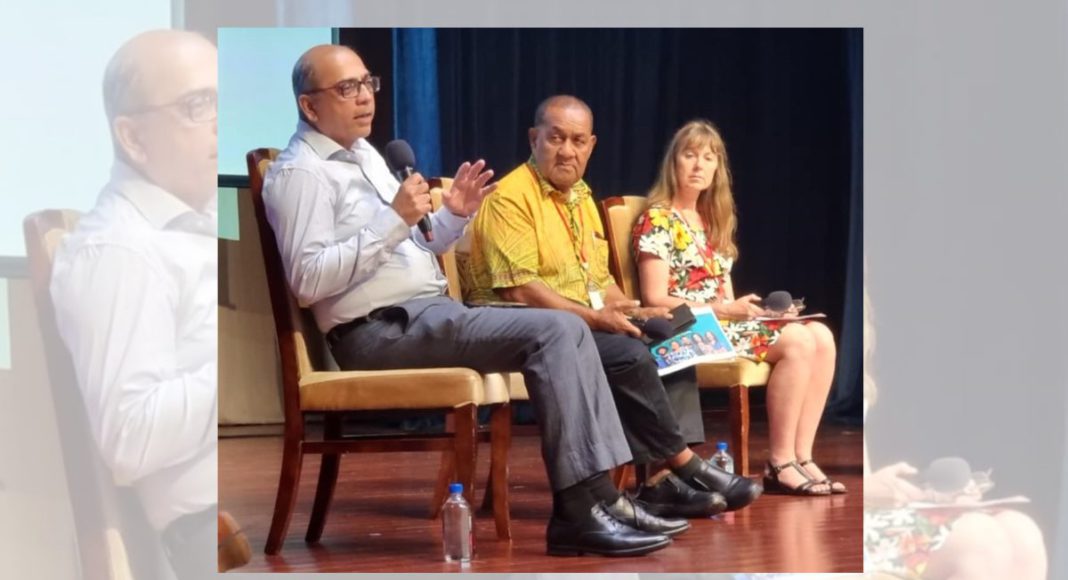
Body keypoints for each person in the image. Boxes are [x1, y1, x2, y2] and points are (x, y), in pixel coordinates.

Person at [262, 45, 684, 557]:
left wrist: (451, 218)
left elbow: (414, 246)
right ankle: (578, 512)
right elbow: (308, 281)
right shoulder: (301, 172)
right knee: (555, 328)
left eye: (367, 83)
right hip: (377, 331)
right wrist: (393, 219)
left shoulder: (364, 154)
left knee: (573, 328)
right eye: (347, 88)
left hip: (430, 314)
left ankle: (600, 499)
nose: (365, 98)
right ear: (309, 107)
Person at [466, 95, 762, 519]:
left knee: (668, 330)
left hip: (576, 320)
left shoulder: (581, 196)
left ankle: (662, 480)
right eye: (556, 138)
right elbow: (520, 291)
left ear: (591, 146)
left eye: (578, 141)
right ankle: (682, 468)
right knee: (627, 353)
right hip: (524, 326)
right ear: (534, 139)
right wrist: (599, 318)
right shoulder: (510, 197)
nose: (567, 150)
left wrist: (633, 307)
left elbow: (597, 281)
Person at [49, 30, 249, 577]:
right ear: (133, 138)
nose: (220, 122)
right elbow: (129, 437)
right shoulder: (120, 250)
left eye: (222, 101)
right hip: (223, 536)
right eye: (196, 106)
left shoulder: (200, 221)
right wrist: (248, 374)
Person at [632, 120, 842, 496]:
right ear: (673, 163)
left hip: (720, 321)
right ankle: (779, 463)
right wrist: (725, 310)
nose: (698, 165)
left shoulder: (712, 222)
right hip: (686, 327)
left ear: (717, 169)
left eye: (708, 158)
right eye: (690, 155)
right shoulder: (657, 219)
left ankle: (802, 456)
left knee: (821, 336)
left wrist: (758, 314)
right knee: (797, 342)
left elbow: (725, 296)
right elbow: (654, 299)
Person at [863, 283, 1048, 579]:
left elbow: (867, 481)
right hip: (838, 529)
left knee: (1022, 532)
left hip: (865, 515)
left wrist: (924, 494)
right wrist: (867, 491)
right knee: (977, 538)